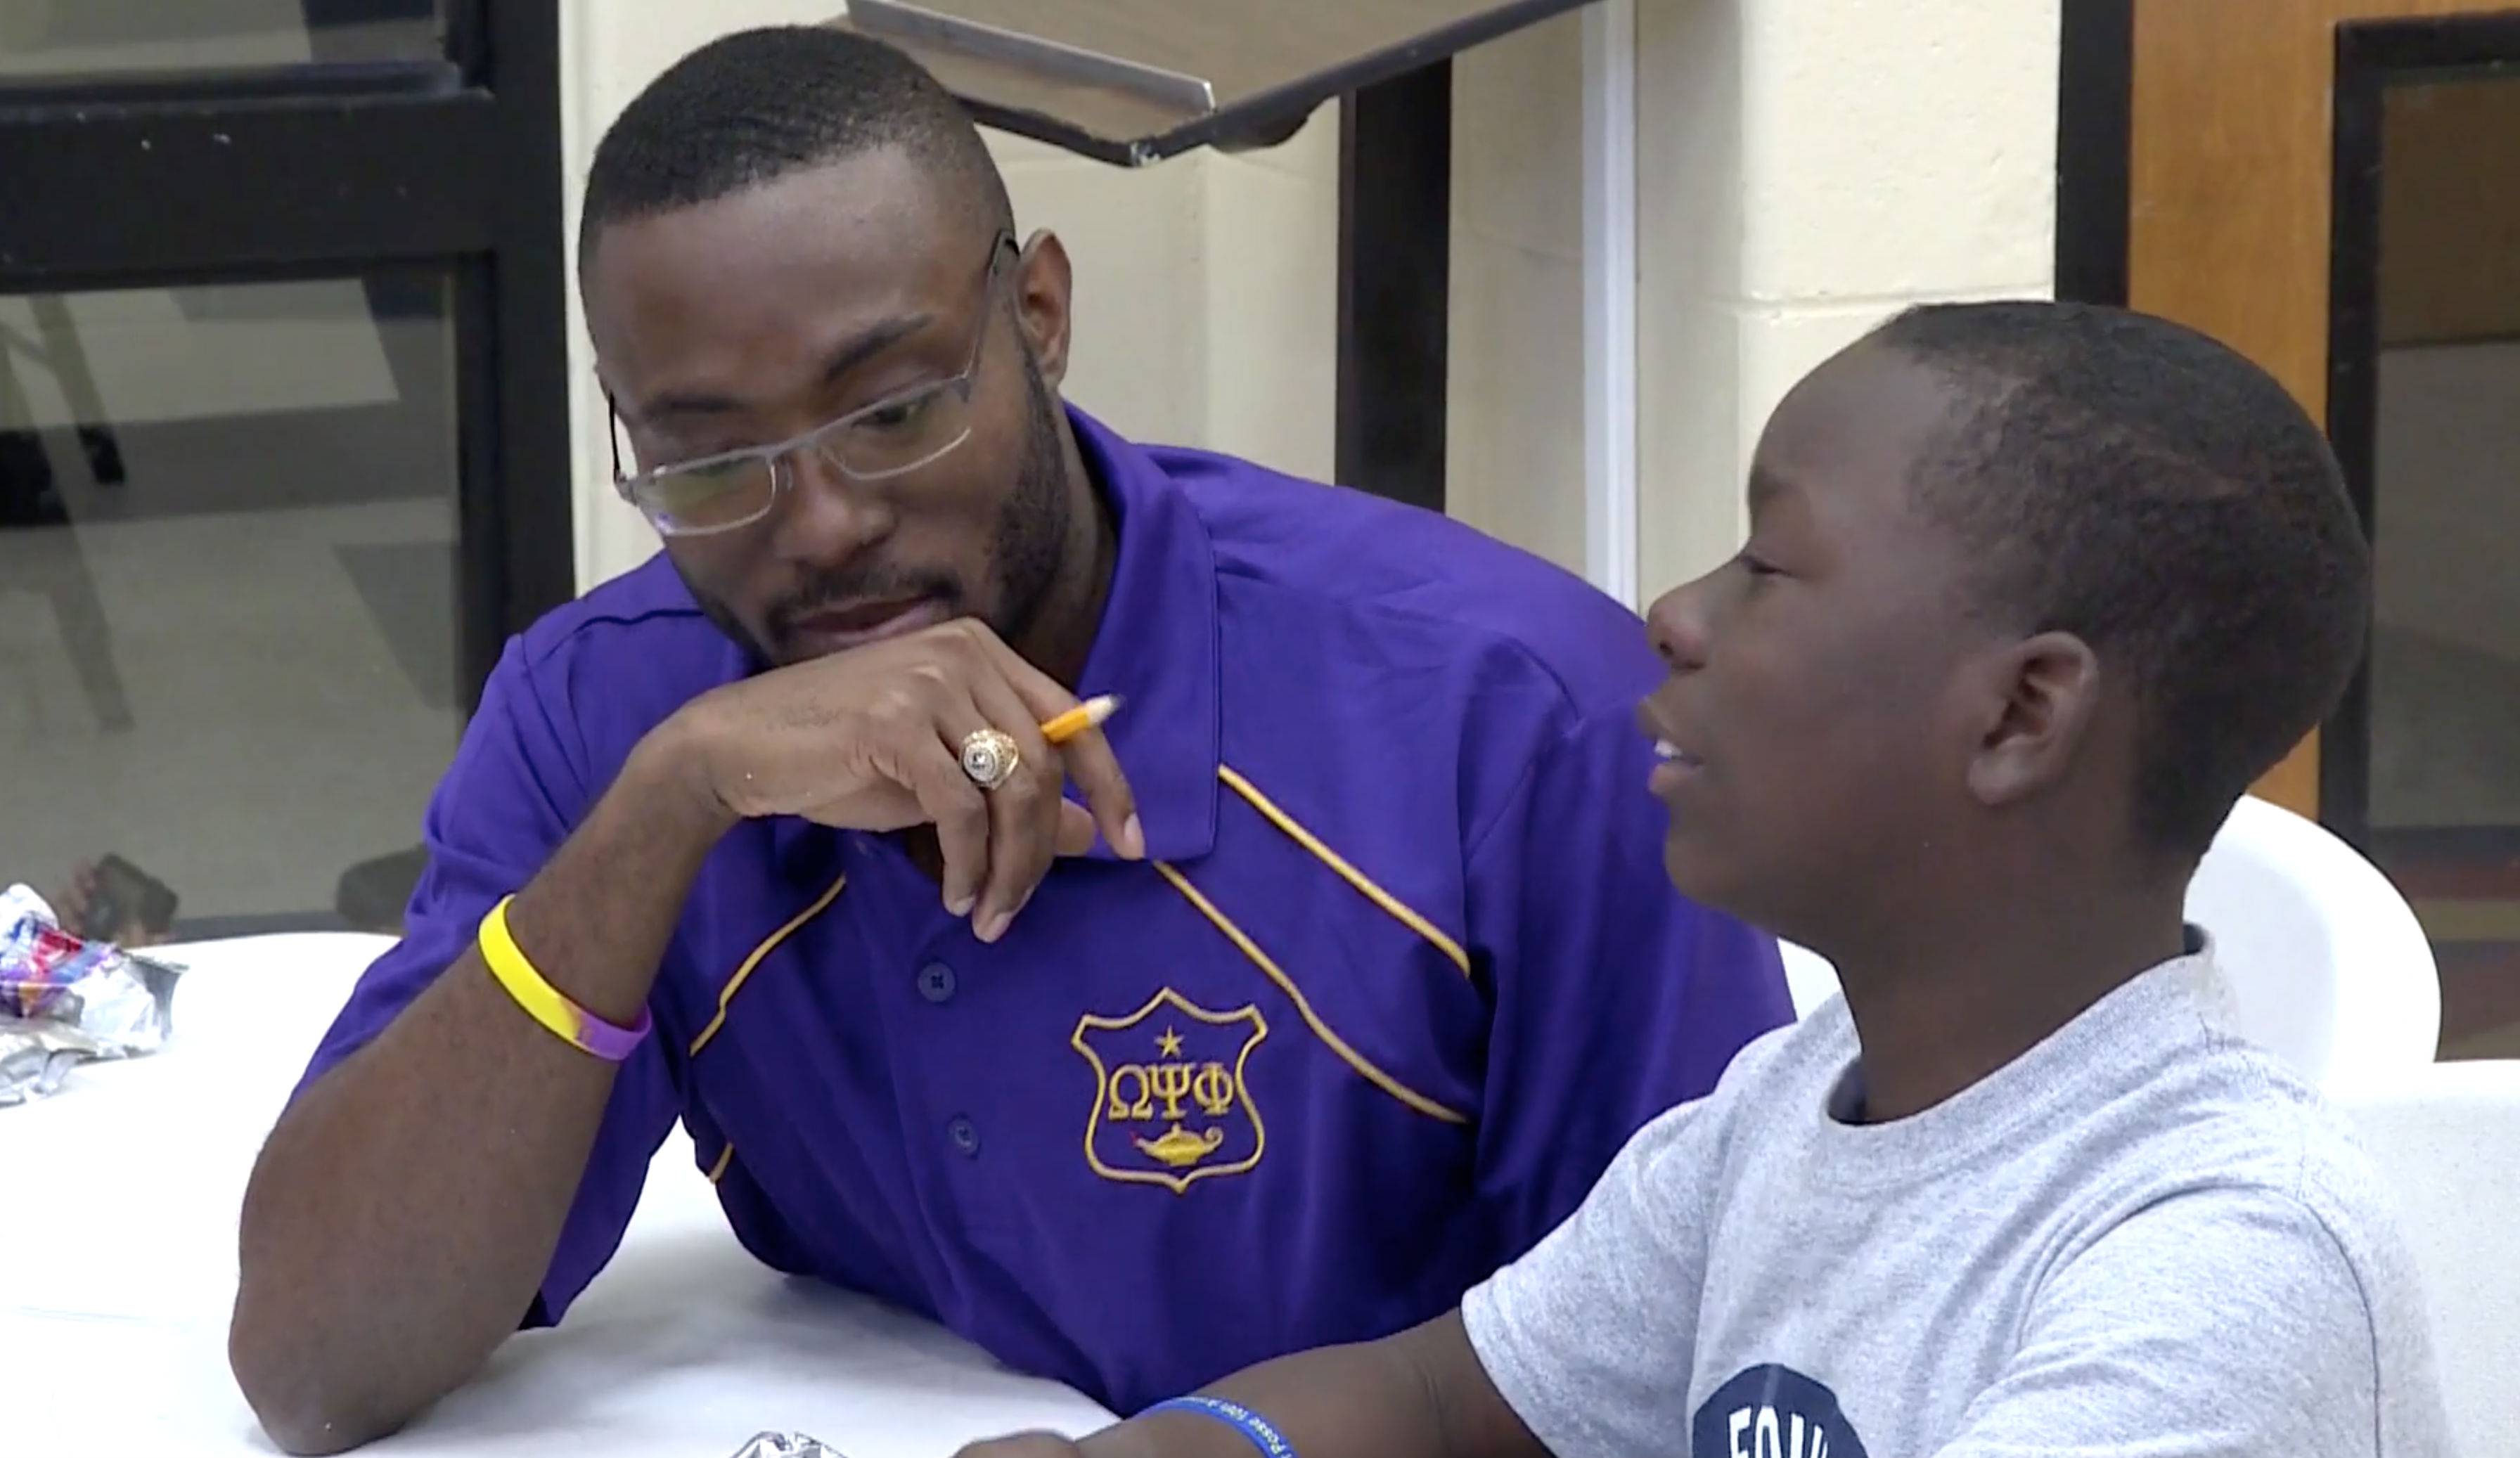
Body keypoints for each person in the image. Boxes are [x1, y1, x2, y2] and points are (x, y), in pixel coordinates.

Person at [224, 25, 1791, 1455]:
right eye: (709, 465)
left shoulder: (1516, 724)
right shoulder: (621, 713)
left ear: (1036, 316)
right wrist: (673, 803)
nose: (823, 530)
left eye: (896, 412)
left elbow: (1701, 1366)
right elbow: (313, 1359)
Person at [954, 302, 2456, 1458]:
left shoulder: (2217, 1261)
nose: (1674, 614)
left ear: (2018, 714)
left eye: (1769, 566)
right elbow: (1436, 1389)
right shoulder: (1788, 1113)